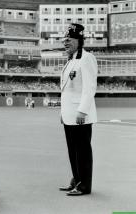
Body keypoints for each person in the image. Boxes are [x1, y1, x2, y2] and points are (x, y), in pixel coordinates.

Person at [59, 24, 97, 196]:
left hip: (80, 115)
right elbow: (66, 90)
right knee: (72, 150)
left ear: (79, 40)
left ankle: (84, 186)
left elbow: (89, 87)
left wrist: (82, 110)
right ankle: (76, 180)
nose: (65, 42)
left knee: (82, 151)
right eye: (65, 39)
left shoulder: (86, 58)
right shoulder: (71, 59)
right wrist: (63, 113)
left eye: (70, 39)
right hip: (69, 115)